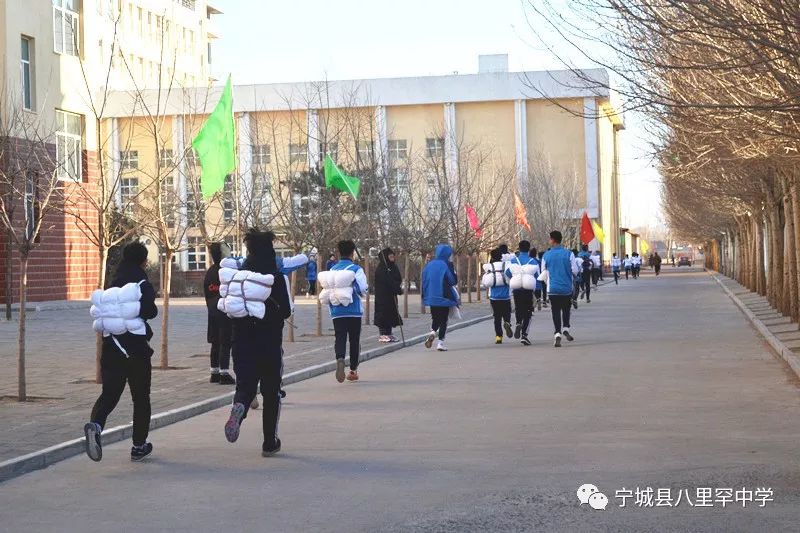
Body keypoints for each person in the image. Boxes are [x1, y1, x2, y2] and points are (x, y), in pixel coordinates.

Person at [84, 241, 158, 462]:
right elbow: (149, 311)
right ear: (144, 261)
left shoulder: (112, 284)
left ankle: (96, 426)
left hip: (111, 347)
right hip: (136, 350)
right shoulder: (142, 283)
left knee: (110, 394)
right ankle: (138, 445)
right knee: (141, 398)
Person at [223, 230, 292, 457]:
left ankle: (239, 408)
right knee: (271, 392)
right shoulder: (277, 278)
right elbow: (286, 311)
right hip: (269, 343)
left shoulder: (239, 279)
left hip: (241, 342)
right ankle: (269, 442)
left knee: (245, 386)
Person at [329, 240, 368, 382]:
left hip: (337, 310)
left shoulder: (333, 270)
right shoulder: (356, 269)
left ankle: (340, 358)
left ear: (339, 253)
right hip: (354, 311)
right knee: (354, 339)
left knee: (340, 337)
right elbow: (363, 288)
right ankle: (353, 370)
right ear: (352, 253)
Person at [204, 242, 236, 385]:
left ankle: (214, 372)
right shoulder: (226, 271)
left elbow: (207, 293)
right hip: (225, 311)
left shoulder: (210, 272)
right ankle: (224, 372)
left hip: (212, 311)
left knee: (215, 342)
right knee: (225, 342)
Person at [542, 231, 580, 348]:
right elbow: (575, 270)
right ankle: (566, 328)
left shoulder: (546, 255)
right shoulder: (569, 254)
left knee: (555, 311)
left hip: (553, 288)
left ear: (553, 240)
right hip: (566, 288)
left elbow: (543, 273)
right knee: (566, 309)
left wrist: (549, 282)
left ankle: (557, 333)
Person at [422, 243, 459, 351]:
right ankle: (440, 344)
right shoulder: (446, 265)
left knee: (435, 317)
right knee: (444, 320)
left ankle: (432, 332)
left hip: (431, 296)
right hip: (444, 296)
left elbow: (424, 280)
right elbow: (452, 281)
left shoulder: (429, 265)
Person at [505, 240, 539, 346]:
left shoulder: (514, 260)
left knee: (519, 308)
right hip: (528, 289)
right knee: (528, 312)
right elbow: (537, 276)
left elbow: (508, 273)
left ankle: (518, 323)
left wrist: (516, 277)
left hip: (517, 289)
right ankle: (524, 335)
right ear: (528, 249)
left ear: (519, 249)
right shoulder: (533, 261)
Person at [482, 247, 513, 344]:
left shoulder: (490, 267)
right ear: (501, 256)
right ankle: (507, 322)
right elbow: (511, 276)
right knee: (507, 313)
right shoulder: (506, 265)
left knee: (497, 317)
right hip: (506, 296)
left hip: (494, 297)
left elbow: (485, 282)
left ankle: (498, 337)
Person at [374, 247, 403, 343]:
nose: (392, 258)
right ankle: (382, 334)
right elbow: (386, 281)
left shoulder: (393, 267)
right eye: (390, 256)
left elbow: (397, 278)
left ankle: (389, 333)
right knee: (383, 314)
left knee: (391, 313)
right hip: (383, 296)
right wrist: (394, 286)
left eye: (393, 256)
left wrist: (396, 287)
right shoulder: (381, 268)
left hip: (391, 296)